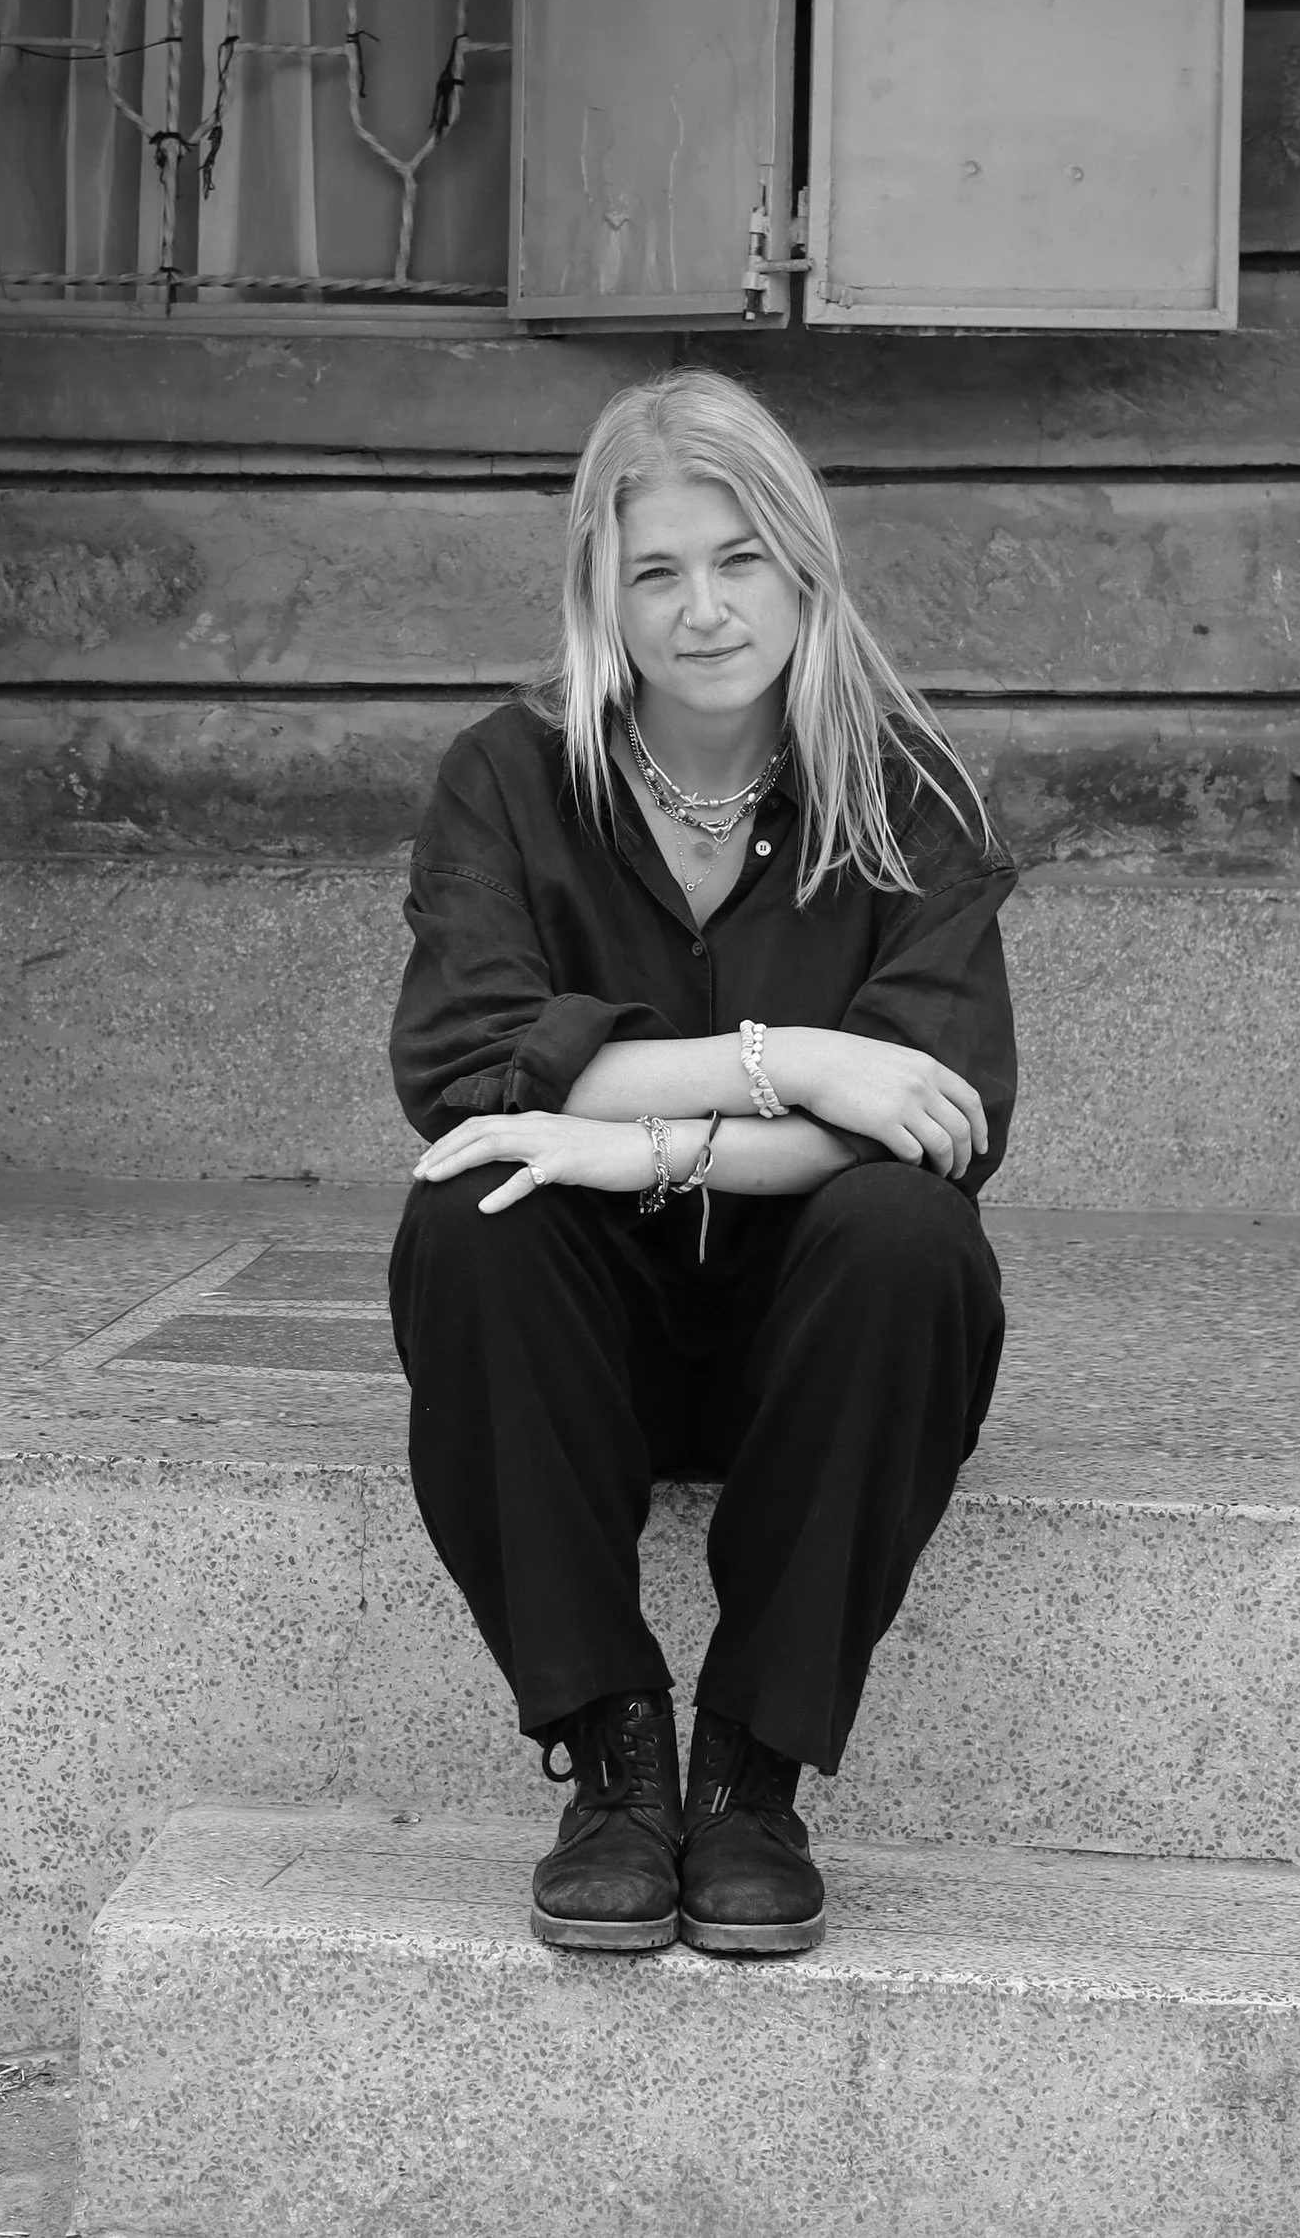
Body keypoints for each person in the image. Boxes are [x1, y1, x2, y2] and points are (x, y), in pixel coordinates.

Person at [386, 367, 1016, 1957]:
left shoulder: (905, 791)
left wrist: (632, 1135)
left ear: (803, 568)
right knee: (478, 1204)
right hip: (576, 1335)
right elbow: (468, 1069)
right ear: (603, 590)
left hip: (809, 1346)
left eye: (740, 563)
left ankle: (753, 1771)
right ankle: (609, 1755)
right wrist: (791, 1061)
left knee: (910, 1238)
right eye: (655, 571)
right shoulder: (512, 777)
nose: (704, 611)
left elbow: (935, 1119)